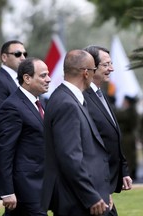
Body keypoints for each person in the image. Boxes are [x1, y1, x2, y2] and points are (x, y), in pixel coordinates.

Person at [42, 50, 111, 216]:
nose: (95, 75)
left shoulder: (69, 98)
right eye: (94, 70)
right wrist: (91, 196)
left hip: (82, 196)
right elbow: (70, 157)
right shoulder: (67, 103)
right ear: (86, 73)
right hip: (77, 201)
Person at [0, 57, 51, 215]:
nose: (49, 79)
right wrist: (6, 191)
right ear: (27, 78)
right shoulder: (12, 106)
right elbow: (4, 151)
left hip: (42, 183)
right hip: (26, 186)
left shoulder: (41, 102)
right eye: (43, 75)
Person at [83, 46, 132, 216]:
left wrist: (123, 170)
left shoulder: (100, 94)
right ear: (91, 66)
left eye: (111, 64)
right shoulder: (82, 97)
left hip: (106, 181)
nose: (111, 68)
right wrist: (97, 189)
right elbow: (88, 145)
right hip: (95, 184)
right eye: (106, 65)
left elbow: (111, 134)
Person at [0, 40, 27, 167]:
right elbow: (1, 122)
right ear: (4, 57)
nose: (23, 58)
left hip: (21, 155)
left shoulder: (18, 81)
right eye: (18, 54)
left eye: (25, 54)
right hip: (8, 157)